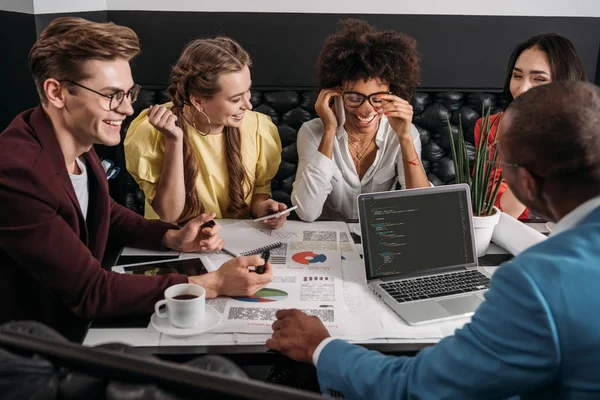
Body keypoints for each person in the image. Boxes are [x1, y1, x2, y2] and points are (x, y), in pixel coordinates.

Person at [267, 81, 600, 399]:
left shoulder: (536, 283)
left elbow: (415, 389)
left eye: (502, 161)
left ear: (525, 182)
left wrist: (320, 347)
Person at [0, 17, 272, 341]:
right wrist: (211, 284)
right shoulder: (17, 174)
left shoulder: (77, 143)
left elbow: (107, 213)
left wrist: (172, 237)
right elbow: (92, 291)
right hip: (41, 347)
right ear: (57, 92)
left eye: (129, 93)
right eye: (113, 95)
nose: (128, 109)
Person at [124, 37, 287, 228]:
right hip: (175, 241)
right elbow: (168, 215)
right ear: (198, 102)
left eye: (248, 91)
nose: (248, 104)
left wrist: (263, 208)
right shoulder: (150, 132)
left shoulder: (259, 127)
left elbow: (259, 190)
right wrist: (174, 141)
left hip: (234, 243)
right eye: (235, 99)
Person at [290, 19, 430, 222]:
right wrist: (329, 131)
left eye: (378, 98)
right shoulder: (312, 132)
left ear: (393, 94)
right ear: (336, 94)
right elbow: (306, 212)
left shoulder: (404, 134)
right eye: (354, 97)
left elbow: (423, 208)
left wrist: (405, 139)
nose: (366, 109)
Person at [474, 33, 587, 220]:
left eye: (539, 79)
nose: (522, 89)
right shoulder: (492, 128)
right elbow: (504, 212)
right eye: (517, 76)